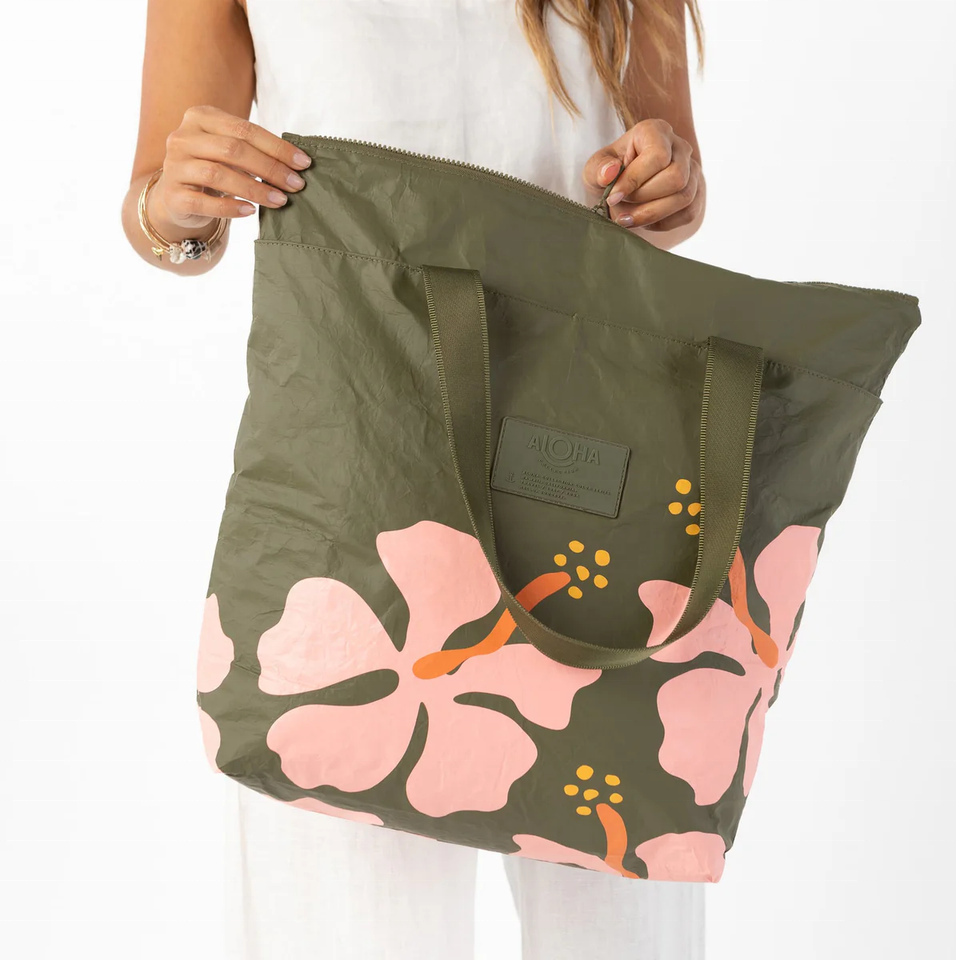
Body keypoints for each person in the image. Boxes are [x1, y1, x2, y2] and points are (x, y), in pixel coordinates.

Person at [122, 1, 708, 957]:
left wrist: (667, 181)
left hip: (584, 473)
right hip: (351, 474)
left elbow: (670, 179)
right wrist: (177, 205)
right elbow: (160, 205)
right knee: (340, 915)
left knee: (618, 910)